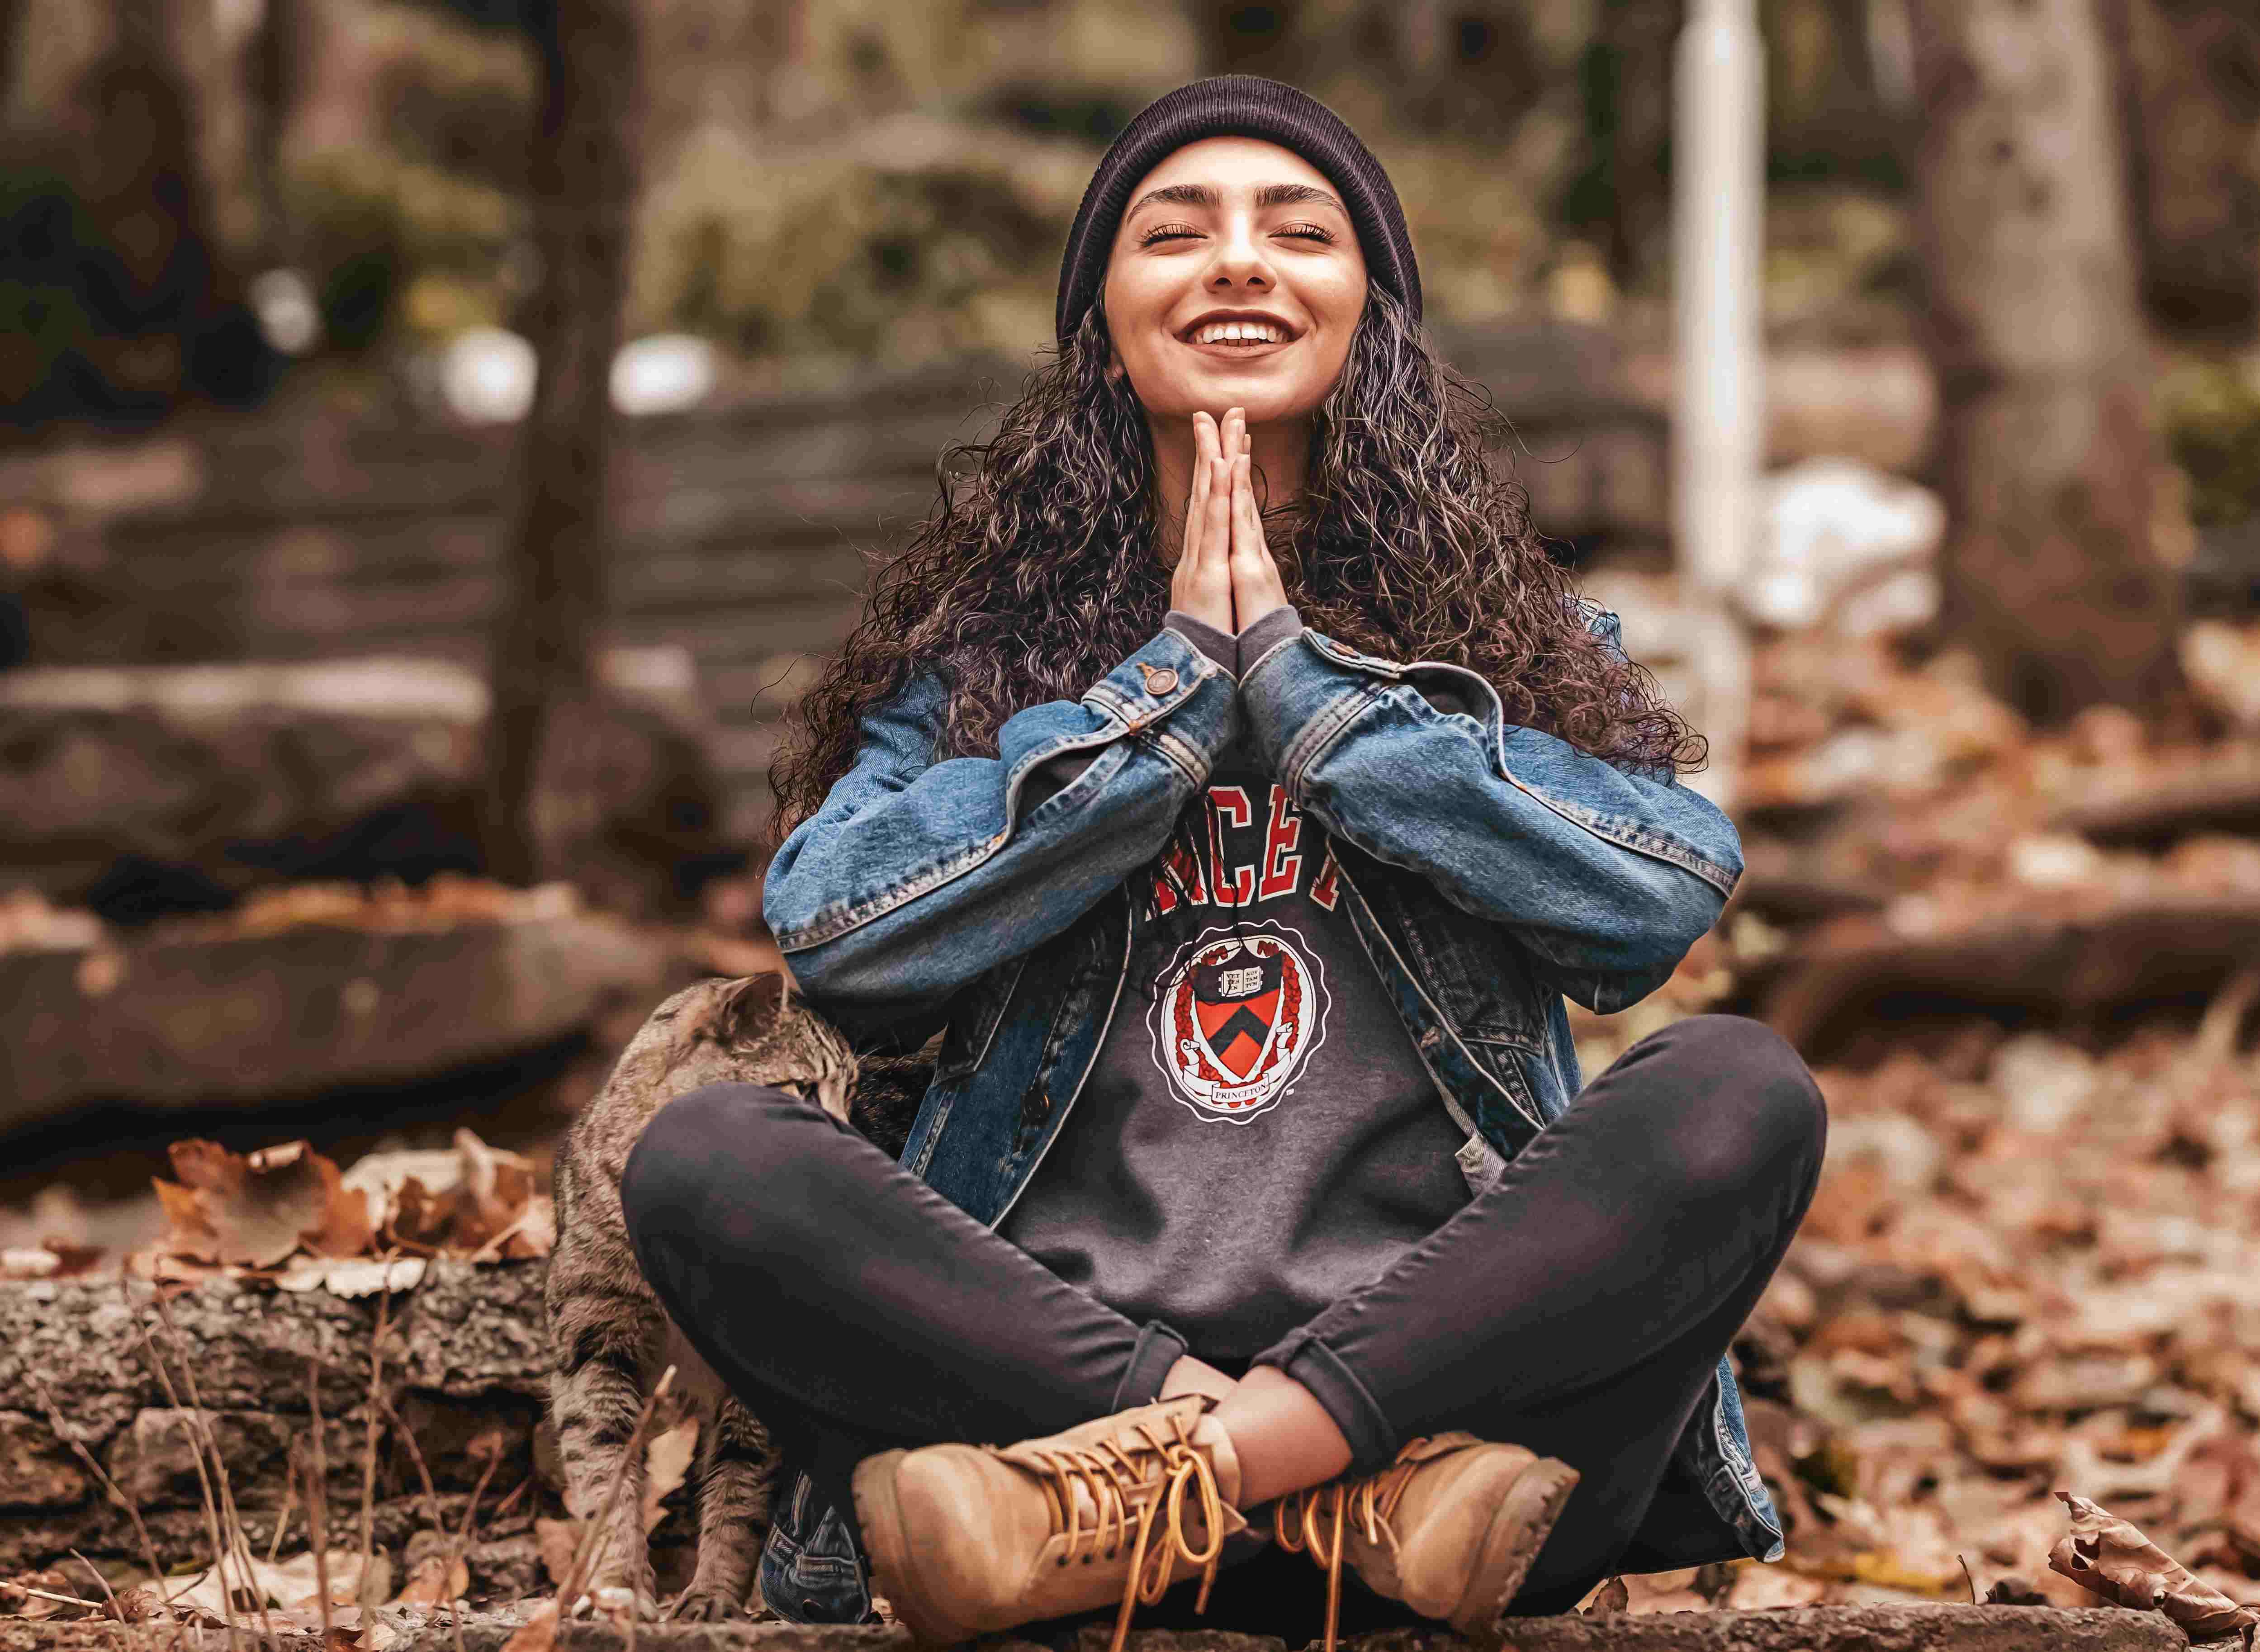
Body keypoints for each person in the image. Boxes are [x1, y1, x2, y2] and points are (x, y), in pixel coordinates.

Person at [620, 74, 1826, 1652]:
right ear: (1105, 322)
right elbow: (838, 935)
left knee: (1742, 1092)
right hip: (1030, 1420)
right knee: (709, 1159)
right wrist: (1170, 698)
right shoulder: (980, 668)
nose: (1240, 263)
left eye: (1299, 230)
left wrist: (1313, 703)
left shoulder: (1505, 648)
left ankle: (1212, 1474)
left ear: (1367, 312)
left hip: (1463, 1450)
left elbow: (1657, 896)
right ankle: (1272, 1481)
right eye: (1174, 232)